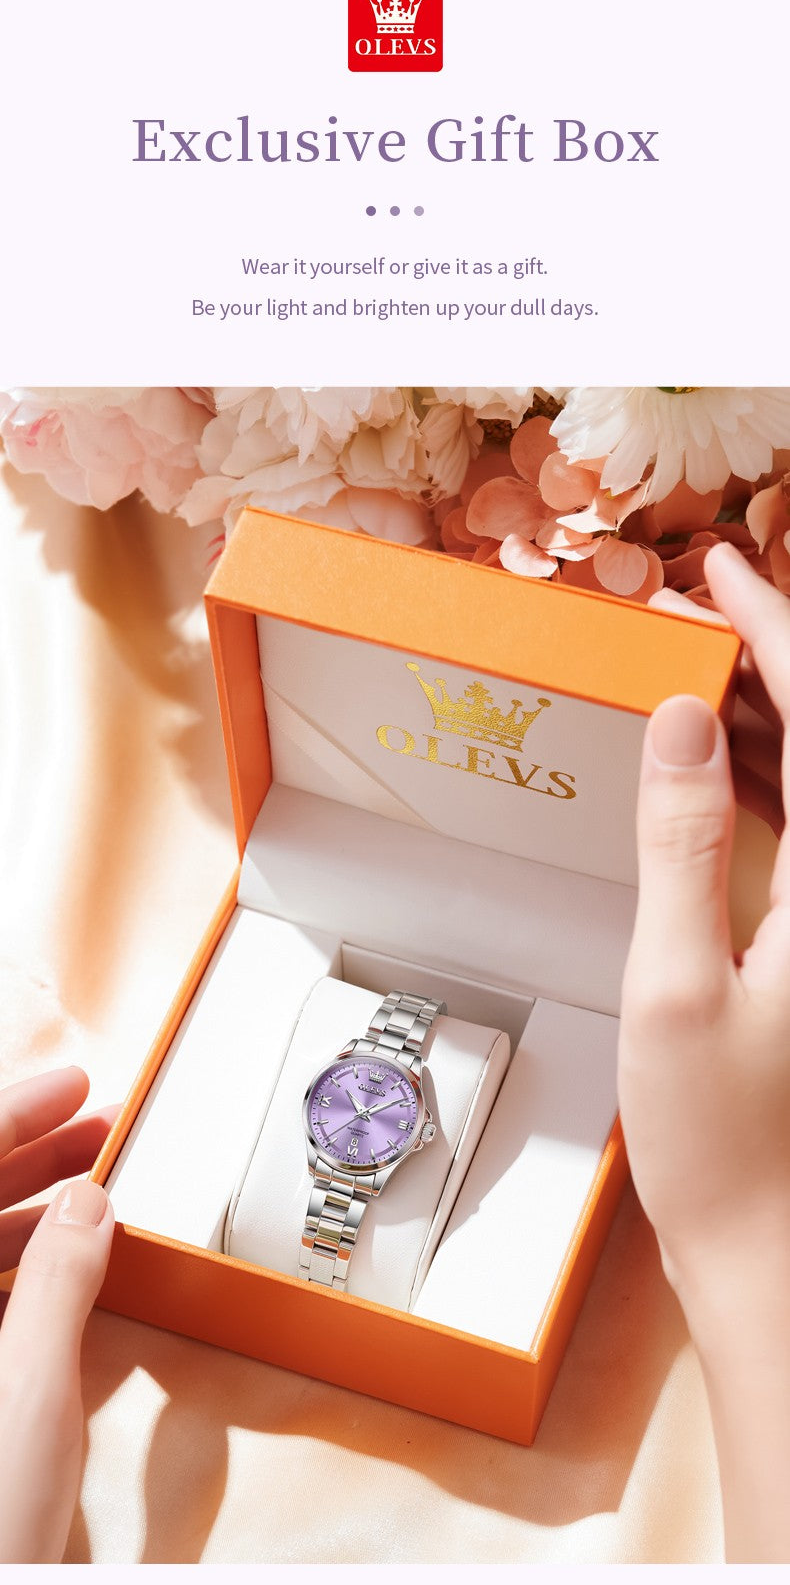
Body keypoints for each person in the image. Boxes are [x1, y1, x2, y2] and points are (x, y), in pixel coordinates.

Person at [0, 541, 786, 1562]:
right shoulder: (357, 1104)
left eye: (389, 1114)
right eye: (371, 1107)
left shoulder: (399, 1109)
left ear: (420, 1129)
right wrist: (742, 1240)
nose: (376, 1114)